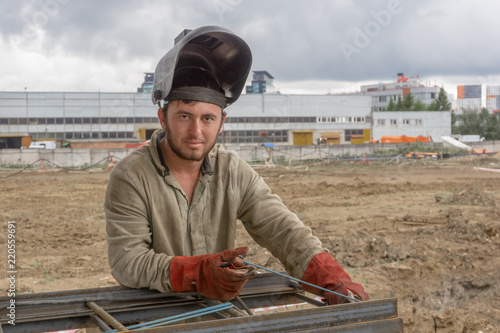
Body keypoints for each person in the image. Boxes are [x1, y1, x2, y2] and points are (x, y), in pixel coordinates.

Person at [105, 25, 368, 304]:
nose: (196, 131)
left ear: (221, 123)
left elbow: (282, 229)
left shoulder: (232, 171)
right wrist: (198, 273)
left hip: (218, 314)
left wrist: (330, 278)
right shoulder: (131, 176)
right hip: (153, 318)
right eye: (184, 116)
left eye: (207, 118)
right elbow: (128, 261)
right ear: (162, 117)